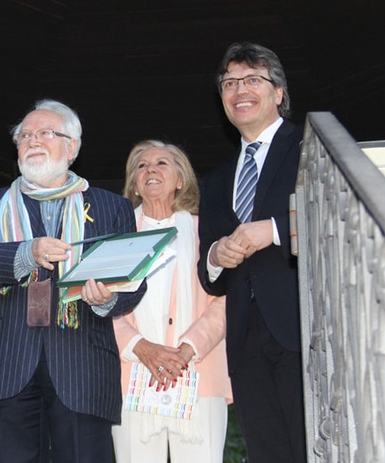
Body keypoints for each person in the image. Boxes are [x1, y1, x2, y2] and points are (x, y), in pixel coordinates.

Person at [0, 99, 146, 463]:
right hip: (7, 364)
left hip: (83, 367)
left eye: (46, 133)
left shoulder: (112, 207)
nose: (32, 140)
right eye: (24, 135)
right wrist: (27, 253)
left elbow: (133, 282)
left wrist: (105, 299)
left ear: (71, 146)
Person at [197, 42, 306, 462]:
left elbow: (341, 215)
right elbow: (208, 274)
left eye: (252, 79)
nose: (239, 90)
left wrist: (277, 230)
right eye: (229, 82)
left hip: (303, 327)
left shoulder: (312, 148)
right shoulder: (217, 179)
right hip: (244, 339)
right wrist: (215, 256)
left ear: (278, 92)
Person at [112, 140, 232, 463]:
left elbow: (225, 298)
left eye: (161, 163)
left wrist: (187, 349)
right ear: (135, 184)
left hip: (198, 374)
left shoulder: (205, 231)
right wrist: (142, 347)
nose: (150, 170)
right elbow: (103, 305)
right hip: (131, 377)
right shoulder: (116, 237)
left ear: (180, 179)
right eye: (141, 166)